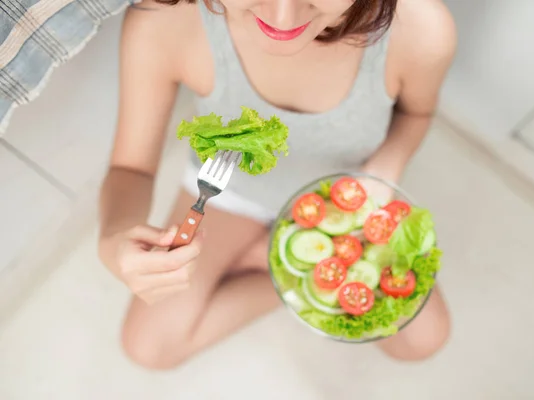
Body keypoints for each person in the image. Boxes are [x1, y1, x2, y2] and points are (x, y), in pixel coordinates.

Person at [98, 0, 456, 370]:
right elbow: (131, 167)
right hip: (231, 193)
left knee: (421, 339)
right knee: (148, 345)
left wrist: (382, 171)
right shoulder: (163, 21)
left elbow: (416, 113)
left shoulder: (420, 28)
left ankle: (279, 263)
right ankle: (287, 272)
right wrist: (113, 238)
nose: (283, 19)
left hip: (346, 199)